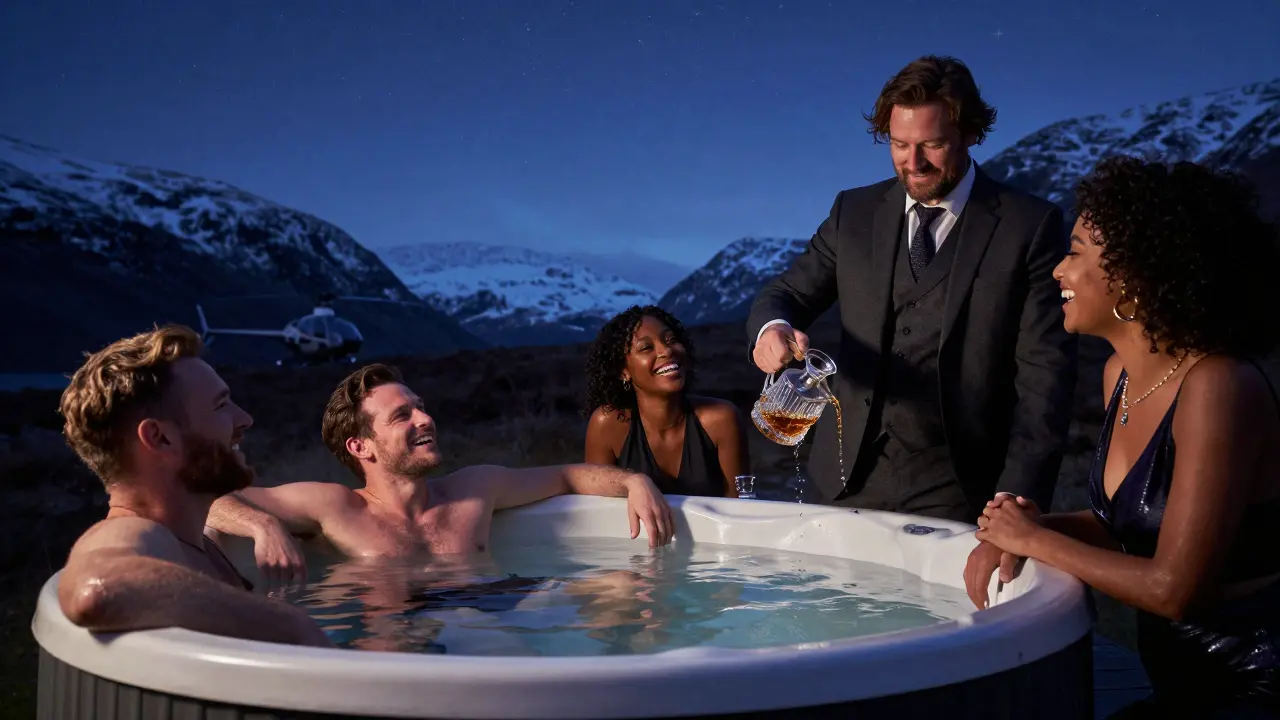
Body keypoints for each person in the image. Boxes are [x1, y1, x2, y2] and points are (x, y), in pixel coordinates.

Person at [970, 156, 1280, 718]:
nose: (1059, 272)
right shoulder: (1120, 375)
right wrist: (1027, 527)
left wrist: (1035, 541)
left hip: (1251, 685)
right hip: (1182, 684)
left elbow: (1175, 588)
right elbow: (1132, 527)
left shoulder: (1219, 386)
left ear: (1136, 276)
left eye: (1077, 252)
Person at [746, 54, 1077, 525]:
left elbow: (1046, 377)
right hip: (838, 479)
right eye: (899, 144)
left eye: (933, 144)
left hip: (960, 488)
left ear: (969, 134)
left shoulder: (1029, 225)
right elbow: (787, 294)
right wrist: (771, 330)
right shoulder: (853, 213)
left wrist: (1017, 501)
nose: (913, 162)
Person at [205, 363, 675, 580]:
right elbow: (210, 499)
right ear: (360, 446)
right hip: (391, 625)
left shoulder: (475, 488)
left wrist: (635, 481)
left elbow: (569, 476)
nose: (425, 419)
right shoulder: (333, 506)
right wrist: (263, 525)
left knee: (621, 585)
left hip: (491, 606)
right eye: (401, 416)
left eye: (421, 408)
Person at [54, 325, 331, 647]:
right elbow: (95, 587)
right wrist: (293, 626)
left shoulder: (192, 543)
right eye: (220, 406)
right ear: (161, 438)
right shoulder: (141, 533)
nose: (244, 419)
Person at [583, 305, 749, 498]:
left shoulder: (721, 420)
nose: (666, 351)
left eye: (671, 340)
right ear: (623, 372)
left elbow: (740, 510)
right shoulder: (608, 424)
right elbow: (596, 512)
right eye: (646, 347)